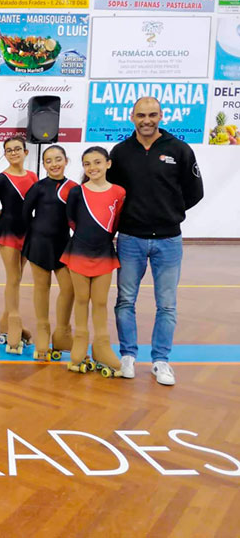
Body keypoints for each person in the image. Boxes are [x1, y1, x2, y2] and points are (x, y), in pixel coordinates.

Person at [107, 96, 204, 386]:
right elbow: (109, 191)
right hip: (130, 239)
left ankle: (161, 361)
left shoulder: (179, 149)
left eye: (152, 115)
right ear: (131, 117)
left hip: (168, 240)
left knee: (167, 305)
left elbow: (195, 191)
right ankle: (128, 356)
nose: (146, 120)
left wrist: (168, 212)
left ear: (161, 115)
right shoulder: (121, 152)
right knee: (125, 300)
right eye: (140, 115)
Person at [60, 147, 126, 378]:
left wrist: (101, 240)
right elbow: (71, 219)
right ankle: (80, 342)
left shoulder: (119, 192)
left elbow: (115, 221)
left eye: (97, 162)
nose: (92, 168)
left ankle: (101, 346)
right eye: (87, 164)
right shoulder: (77, 192)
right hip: (78, 251)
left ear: (108, 164)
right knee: (80, 300)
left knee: (100, 302)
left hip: (104, 253)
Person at [0, 136, 38, 354]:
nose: (13, 153)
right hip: (7, 231)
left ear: (25, 152)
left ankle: (6, 321)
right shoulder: (2, 178)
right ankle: (13, 322)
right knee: (13, 278)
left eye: (17, 149)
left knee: (18, 278)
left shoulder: (32, 176)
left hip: (26, 232)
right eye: (9, 150)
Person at [22, 145, 76, 361]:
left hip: (64, 244)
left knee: (69, 288)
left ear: (66, 161)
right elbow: (25, 214)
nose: (54, 164)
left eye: (58, 159)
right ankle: (43, 330)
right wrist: (34, 234)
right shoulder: (39, 187)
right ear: (43, 164)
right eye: (49, 160)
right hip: (39, 244)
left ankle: (62, 332)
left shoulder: (73, 188)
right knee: (42, 287)